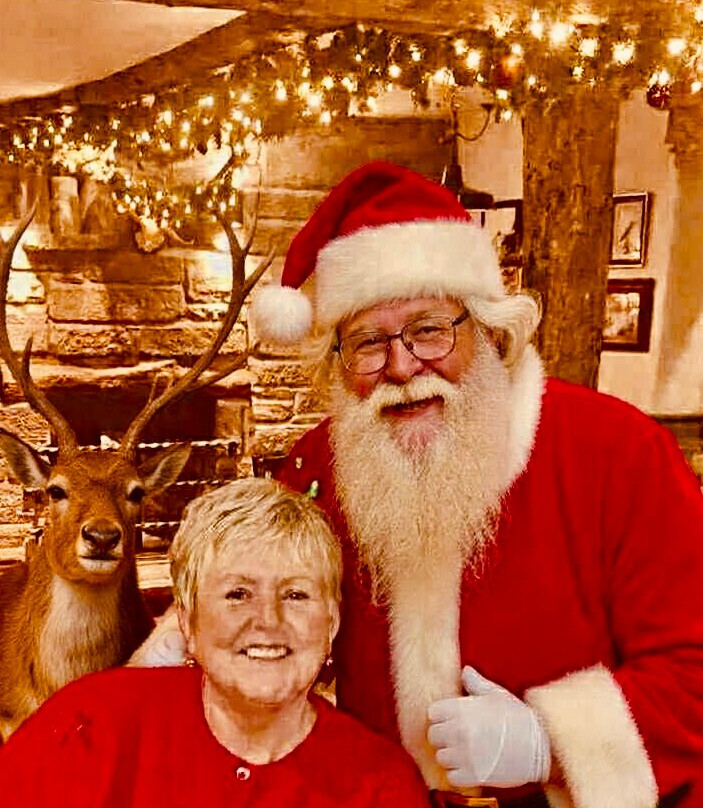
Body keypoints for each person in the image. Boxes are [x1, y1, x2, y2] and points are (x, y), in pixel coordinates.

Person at [247, 161, 703, 808]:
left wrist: (547, 743)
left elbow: (695, 669)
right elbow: (265, 618)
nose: (401, 365)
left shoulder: (619, 452)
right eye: (367, 343)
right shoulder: (319, 466)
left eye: (430, 330)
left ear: (488, 329)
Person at [0, 477, 430, 808]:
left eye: (296, 595)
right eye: (237, 594)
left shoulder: (381, 785)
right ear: (187, 620)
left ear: (331, 621)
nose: (268, 621)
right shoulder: (89, 726)